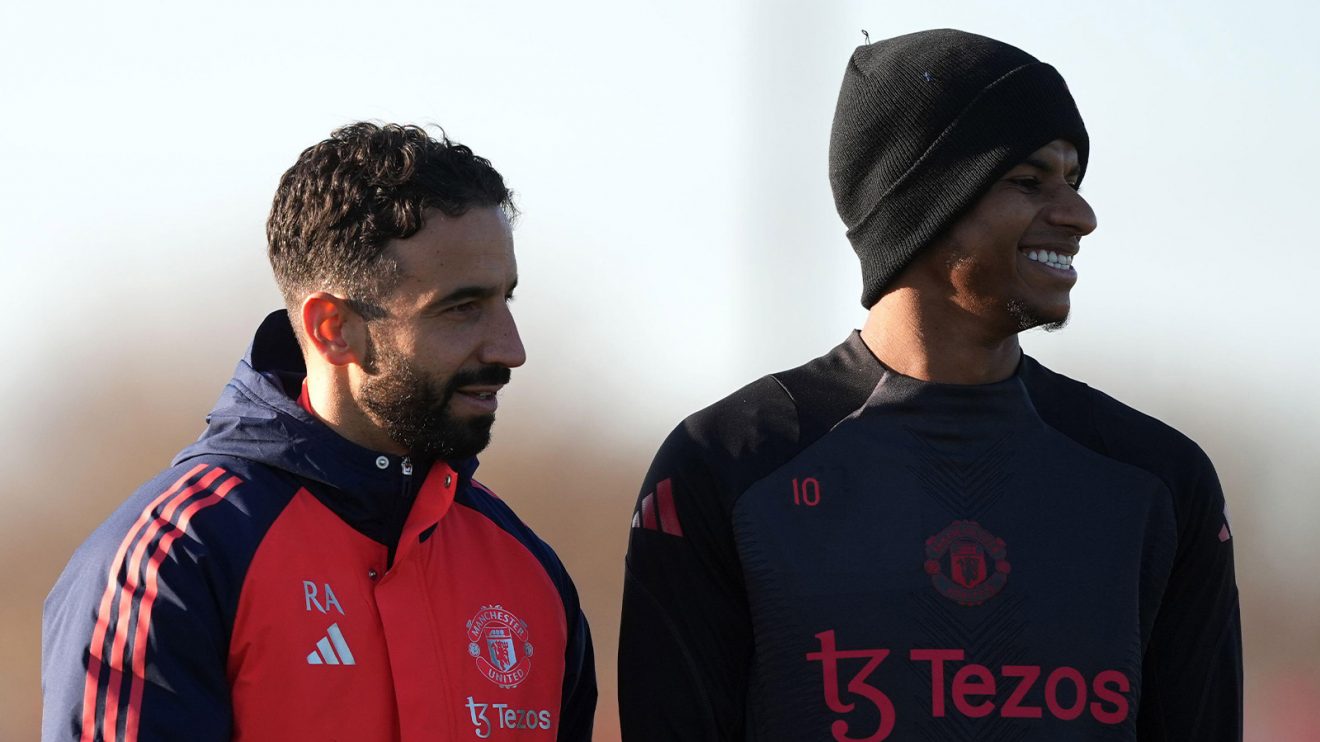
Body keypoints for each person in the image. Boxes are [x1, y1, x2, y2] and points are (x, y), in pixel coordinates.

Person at [618, 29, 1241, 741]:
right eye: (1030, 181)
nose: (1079, 216)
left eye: (1074, 180)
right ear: (922, 204)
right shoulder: (726, 465)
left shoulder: (1159, 481)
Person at [43, 123, 596, 741]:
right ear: (334, 328)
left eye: (506, 302)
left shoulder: (529, 572)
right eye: (463, 308)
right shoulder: (173, 558)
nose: (510, 349)